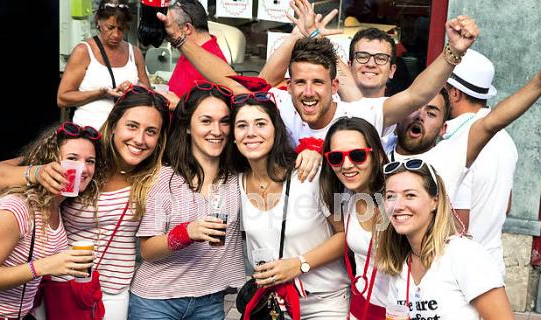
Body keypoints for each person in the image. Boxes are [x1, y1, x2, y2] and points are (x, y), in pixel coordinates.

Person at [156, 0, 479, 183]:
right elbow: (228, 80)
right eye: (300, 83)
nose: (308, 92)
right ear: (289, 85)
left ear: (334, 86)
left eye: (318, 83)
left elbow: (416, 96)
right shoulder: (280, 105)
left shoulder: (357, 115)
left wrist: (454, 51)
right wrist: (181, 41)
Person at [0, 86, 170, 320]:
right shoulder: (83, 153)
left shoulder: (155, 175)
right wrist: (36, 172)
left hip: (106, 295)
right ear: (114, 123)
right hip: (50, 291)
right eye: (132, 126)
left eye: (151, 131)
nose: (139, 139)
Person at [128, 82, 246, 320]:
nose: (216, 130)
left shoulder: (240, 178)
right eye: (205, 121)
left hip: (208, 304)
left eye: (224, 121)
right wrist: (186, 232)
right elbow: (148, 250)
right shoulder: (165, 179)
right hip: (156, 304)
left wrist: (311, 149)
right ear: (189, 127)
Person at [230, 91, 348, 320]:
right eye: (242, 125)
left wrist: (299, 264)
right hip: (273, 302)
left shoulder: (308, 174)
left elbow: (345, 235)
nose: (251, 133)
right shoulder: (234, 184)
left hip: (325, 300)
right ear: (233, 136)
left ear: (276, 129)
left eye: (260, 124)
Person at [377, 159, 519, 320]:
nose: (397, 206)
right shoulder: (400, 265)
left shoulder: (464, 255)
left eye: (410, 195)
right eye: (390, 196)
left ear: (435, 202)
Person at [0, 123, 98, 320]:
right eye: (72, 158)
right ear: (49, 162)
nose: (83, 168)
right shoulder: (17, 208)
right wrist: (43, 266)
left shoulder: (57, 207)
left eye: (90, 161)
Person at [389, 63, 541, 207]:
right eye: (414, 107)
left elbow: (490, 124)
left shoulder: (447, 159)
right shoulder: (378, 144)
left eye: (431, 113)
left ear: (443, 128)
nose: (420, 116)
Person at [319, 116, 390, 320]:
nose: (346, 165)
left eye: (358, 155)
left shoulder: (399, 201)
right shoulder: (344, 200)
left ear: (378, 156)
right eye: (336, 158)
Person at [445, 50, 517, 277]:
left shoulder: (461, 140)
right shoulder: (505, 138)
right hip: (492, 265)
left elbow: (458, 223)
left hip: (462, 270)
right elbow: (507, 205)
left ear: (454, 94)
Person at [57, 0, 151, 130]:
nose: (116, 35)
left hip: (123, 135)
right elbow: (62, 98)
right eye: (110, 28)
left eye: (121, 28)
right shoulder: (83, 51)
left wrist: (133, 88)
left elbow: (148, 92)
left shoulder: (134, 53)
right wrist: (99, 93)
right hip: (90, 133)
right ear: (99, 22)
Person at [166, 0, 227, 98]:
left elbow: (214, 110)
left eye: (170, 27)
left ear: (187, 28)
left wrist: (178, 105)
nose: (167, 34)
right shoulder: (190, 49)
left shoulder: (211, 62)